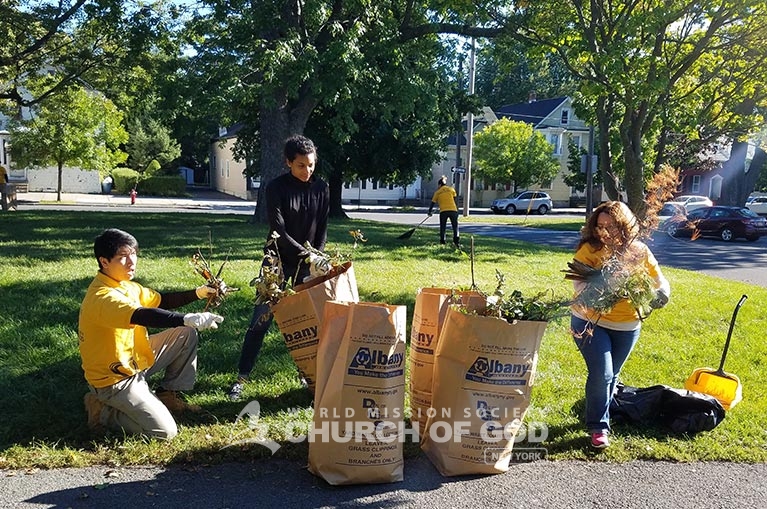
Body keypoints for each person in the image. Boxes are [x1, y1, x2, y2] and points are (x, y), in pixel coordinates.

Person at [79, 228, 224, 440]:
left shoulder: (125, 285)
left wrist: (199, 293)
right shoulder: (102, 297)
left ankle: (167, 395)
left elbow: (160, 301)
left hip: (135, 359)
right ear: (104, 261)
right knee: (164, 433)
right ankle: (103, 411)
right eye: (122, 257)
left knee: (185, 334)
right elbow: (142, 315)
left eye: (134, 254)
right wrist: (185, 318)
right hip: (116, 379)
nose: (131, 262)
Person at [227, 134, 330, 401]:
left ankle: (310, 376)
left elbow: (322, 227)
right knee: (260, 320)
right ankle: (241, 377)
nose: (307, 171)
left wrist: (318, 256)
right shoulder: (275, 188)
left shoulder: (322, 188)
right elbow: (279, 231)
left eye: (311, 165)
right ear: (288, 163)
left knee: (310, 324)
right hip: (276, 263)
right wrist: (308, 254)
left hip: (308, 265)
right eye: (300, 166)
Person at [569, 201, 670, 449]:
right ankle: (598, 427)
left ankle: (603, 408)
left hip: (627, 326)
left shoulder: (639, 251)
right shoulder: (589, 251)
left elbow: (659, 282)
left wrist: (661, 295)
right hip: (590, 321)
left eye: (610, 226)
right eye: (600, 226)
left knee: (612, 375)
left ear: (624, 226)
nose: (604, 231)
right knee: (601, 373)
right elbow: (580, 289)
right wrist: (609, 285)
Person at [428, 175, 459, 247]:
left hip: (443, 211)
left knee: (443, 227)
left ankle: (443, 242)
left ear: (439, 185)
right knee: (455, 227)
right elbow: (454, 199)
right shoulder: (451, 189)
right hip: (453, 210)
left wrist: (429, 212)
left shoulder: (437, 192)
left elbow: (433, 202)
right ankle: (456, 241)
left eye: (438, 185)